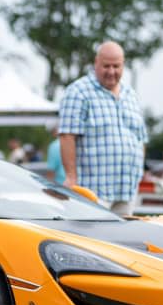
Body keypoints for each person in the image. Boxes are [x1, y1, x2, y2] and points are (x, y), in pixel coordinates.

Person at [58, 41, 148, 216]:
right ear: (96, 63)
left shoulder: (131, 95)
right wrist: (71, 177)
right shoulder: (78, 92)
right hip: (94, 191)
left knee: (121, 242)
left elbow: (141, 138)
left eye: (117, 66)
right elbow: (67, 136)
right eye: (106, 66)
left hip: (127, 191)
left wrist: (138, 173)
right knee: (90, 241)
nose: (111, 71)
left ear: (123, 65)